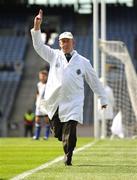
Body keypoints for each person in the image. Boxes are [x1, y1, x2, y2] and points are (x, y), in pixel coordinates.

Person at [31, 9, 108, 166]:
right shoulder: (53, 55)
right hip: (55, 102)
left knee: (70, 130)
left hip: (74, 101)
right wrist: (37, 26)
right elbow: (38, 46)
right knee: (59, 133)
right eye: (62, 41)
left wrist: (103, 98)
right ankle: (63, 140)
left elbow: (94, 81)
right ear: (59, 43)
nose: (64, 43)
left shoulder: (83, 62)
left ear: (73, 42)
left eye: (67, 41)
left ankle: (69, 155)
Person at [33, 69, 50, 140]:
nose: (42, 77)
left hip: (45, 104)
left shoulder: (49, 84)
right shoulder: (38, 84)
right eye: (41, 76)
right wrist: (37, 101)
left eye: (43, 76)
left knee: (47, 120)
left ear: (46, 76)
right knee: (37, 119)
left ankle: (46, 136)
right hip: (39, 104)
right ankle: (37, 136)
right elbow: (37, 93)